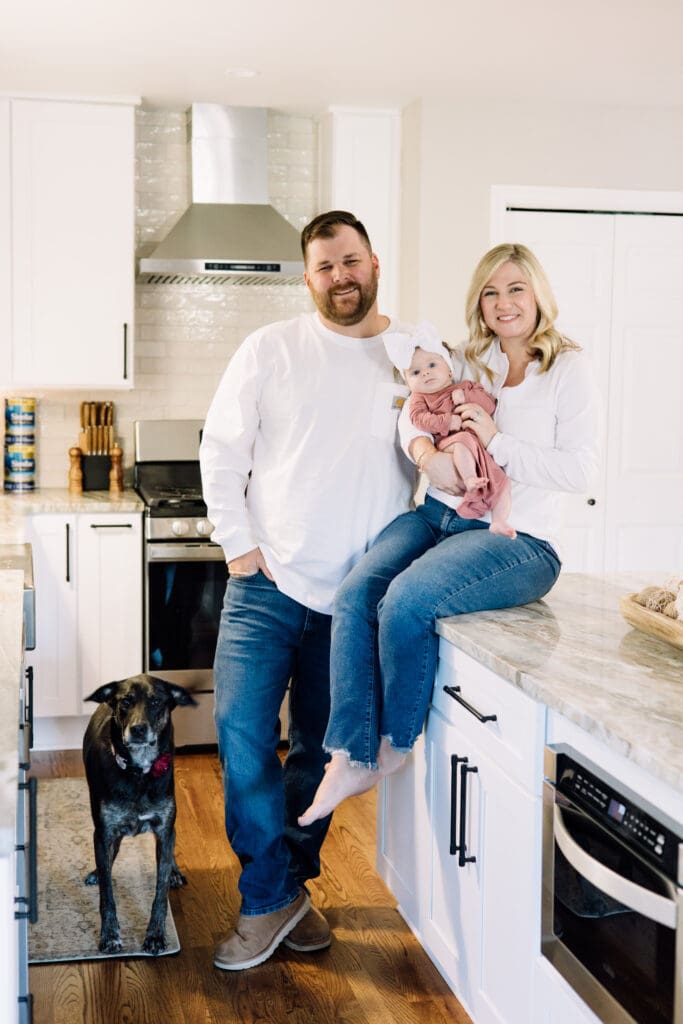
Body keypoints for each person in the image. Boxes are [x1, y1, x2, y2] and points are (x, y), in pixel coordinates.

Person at [298, 242, 600, 826]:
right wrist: (422, 451)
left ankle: (393, 745)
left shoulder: (568, 369)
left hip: (519, 541)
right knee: (355, 593)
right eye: (491, 291)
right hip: (438, 514)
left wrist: (499, 439)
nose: (504, 303)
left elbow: (581, 471)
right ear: (478, 303)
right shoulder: (470, 358)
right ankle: (349, 753)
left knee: (406, 601)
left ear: (539, 293)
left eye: (516, 288)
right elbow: (413, 406)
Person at [199, 210, 415, 971]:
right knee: (243, 740)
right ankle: (267, 899)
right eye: (324, 268)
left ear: (373, 262)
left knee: (319, 759)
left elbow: (454, 446)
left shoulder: (414, 356)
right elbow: (221, 448)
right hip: (267, 583)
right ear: (307, 278)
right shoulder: (272, 348)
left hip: (356, 599)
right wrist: (239, 547)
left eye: (349, 261)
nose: (340, 277)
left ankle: (285, 891)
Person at [386, 321, 515, 538]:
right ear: (408, 381)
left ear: (449, 369)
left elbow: (490, 405)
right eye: (416, 372)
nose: (425, 374)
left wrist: (468, 397)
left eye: (432, 365)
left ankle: (500, 521)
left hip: (479, 450)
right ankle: (469, 482)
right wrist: (447, 422)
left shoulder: (464, 387)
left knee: (502, 483)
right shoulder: (420, 399)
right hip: (449, 443)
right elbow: (418, 419)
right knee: (462, 439)